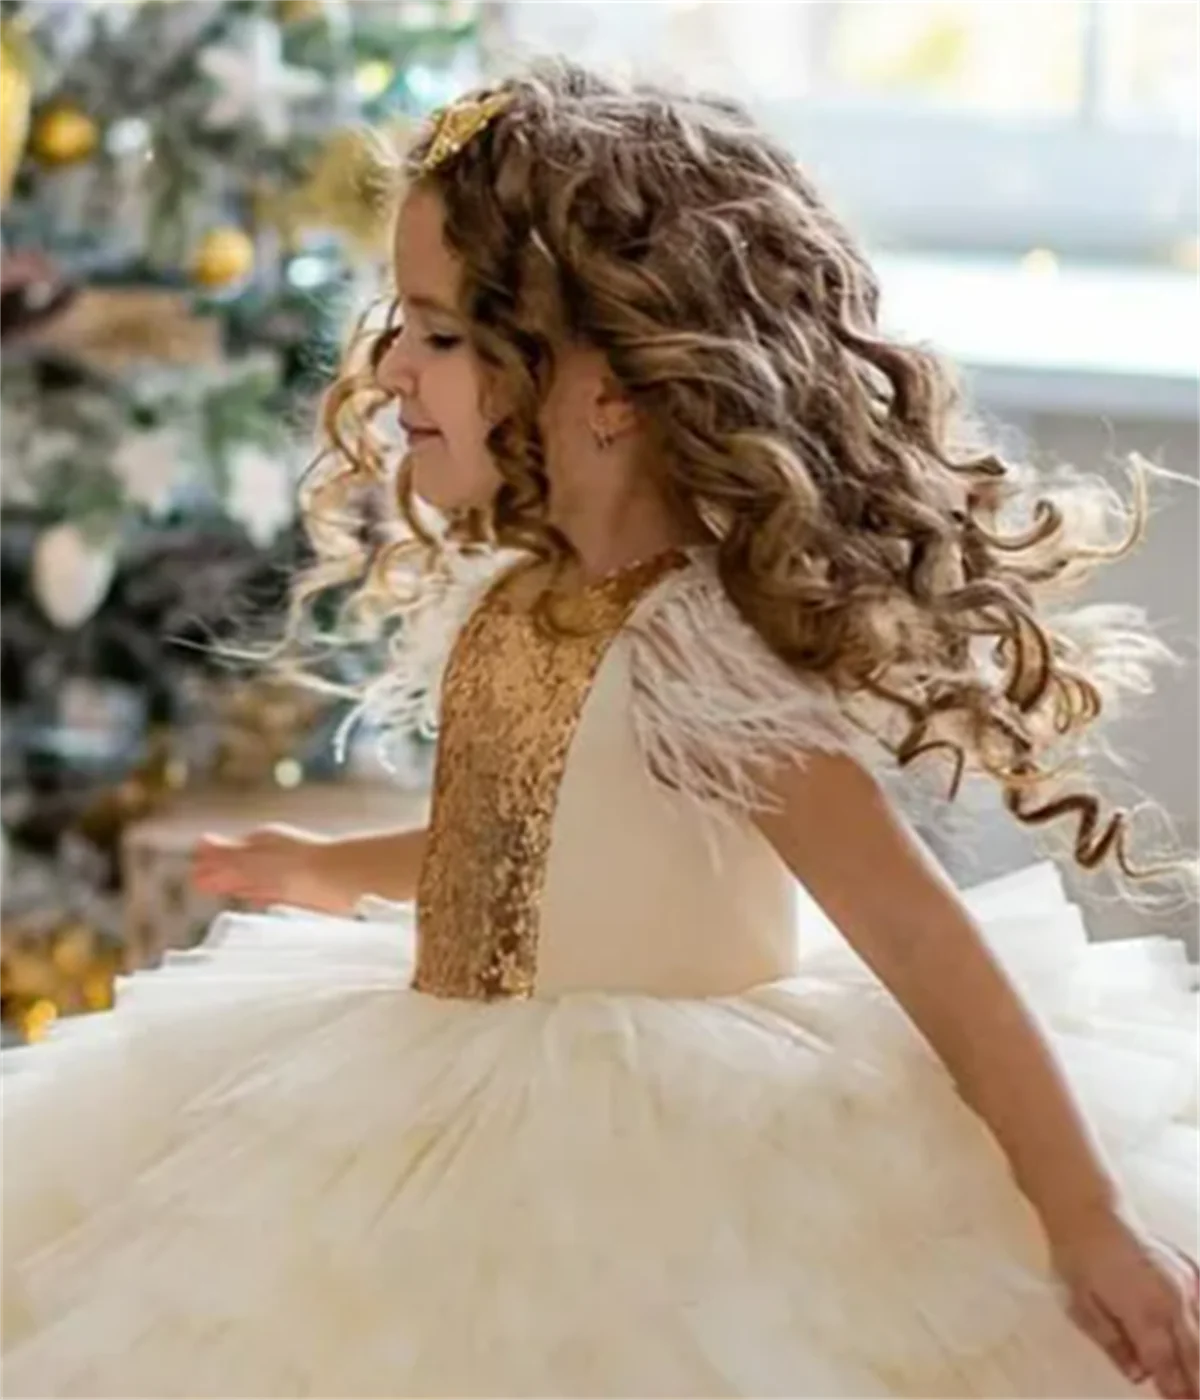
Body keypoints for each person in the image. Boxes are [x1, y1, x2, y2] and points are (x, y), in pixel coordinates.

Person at [2, 62, 1198, 1400]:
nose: (391, 366)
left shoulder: (700, 652)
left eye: (443, 333)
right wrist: (329, 868)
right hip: (442, 1077)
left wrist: (1081, 1212)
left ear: (611, 384)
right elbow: (522, 835)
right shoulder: (526, 596)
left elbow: (921, 933)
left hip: (654, 1146)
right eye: (404, 322)